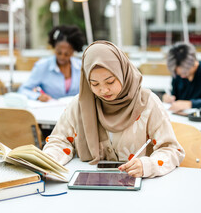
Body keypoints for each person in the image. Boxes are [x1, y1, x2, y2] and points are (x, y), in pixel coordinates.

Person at [43, 41, 185, 178]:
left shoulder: (147, 103)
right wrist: (48, 160)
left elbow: (171, 149)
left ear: (122, 72)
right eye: (94, 84)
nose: (104, 90)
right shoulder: (80, 104)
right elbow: (60, 141)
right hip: (90, 187)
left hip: (139, 188)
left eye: (110, 81)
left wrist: (147, 165)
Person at [18, 25, 85, 102]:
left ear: (73, 52)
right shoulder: (42, 66)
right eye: (58, 52)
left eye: (67, 54)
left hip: (76, 111)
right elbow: (23, 90)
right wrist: (38, 96)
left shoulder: (81, 67)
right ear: (54, 48)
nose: (62, 57)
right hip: (51, 109)